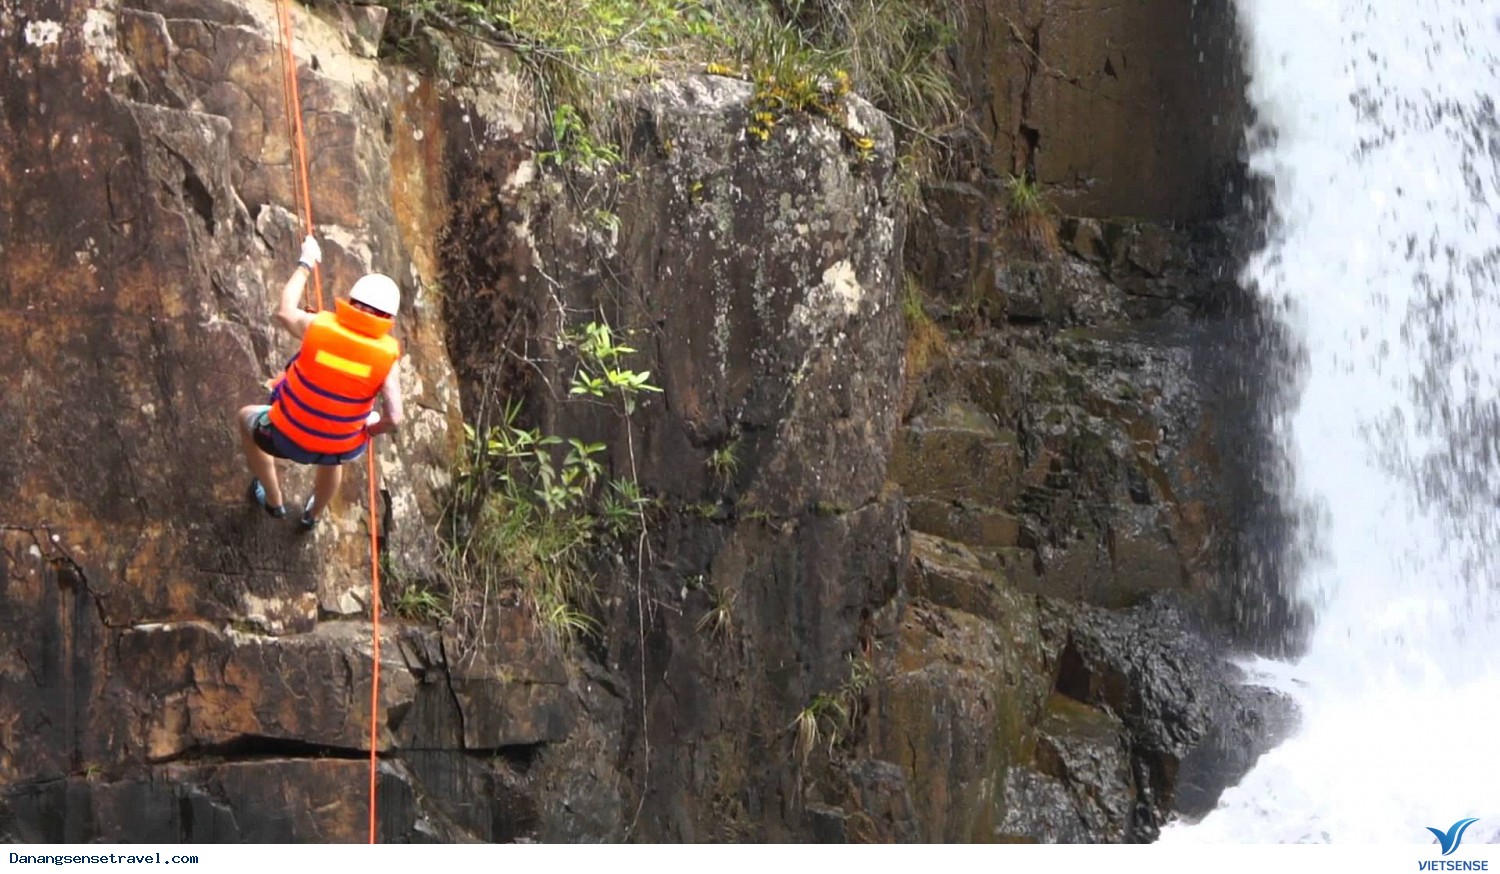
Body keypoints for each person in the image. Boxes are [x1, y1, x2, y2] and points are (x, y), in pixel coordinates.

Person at [237, 235, 405, 531]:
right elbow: (394, 417)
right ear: (387, 317)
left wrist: (305, 262)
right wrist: (370, 429)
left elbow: (284, 311)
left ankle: (273, 499)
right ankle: (312, 516)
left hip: (283, 436)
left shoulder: (318, 326)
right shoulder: (387, 358)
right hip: (335, 446)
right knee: (333, 459)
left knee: (245, 418)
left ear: (353, 301)